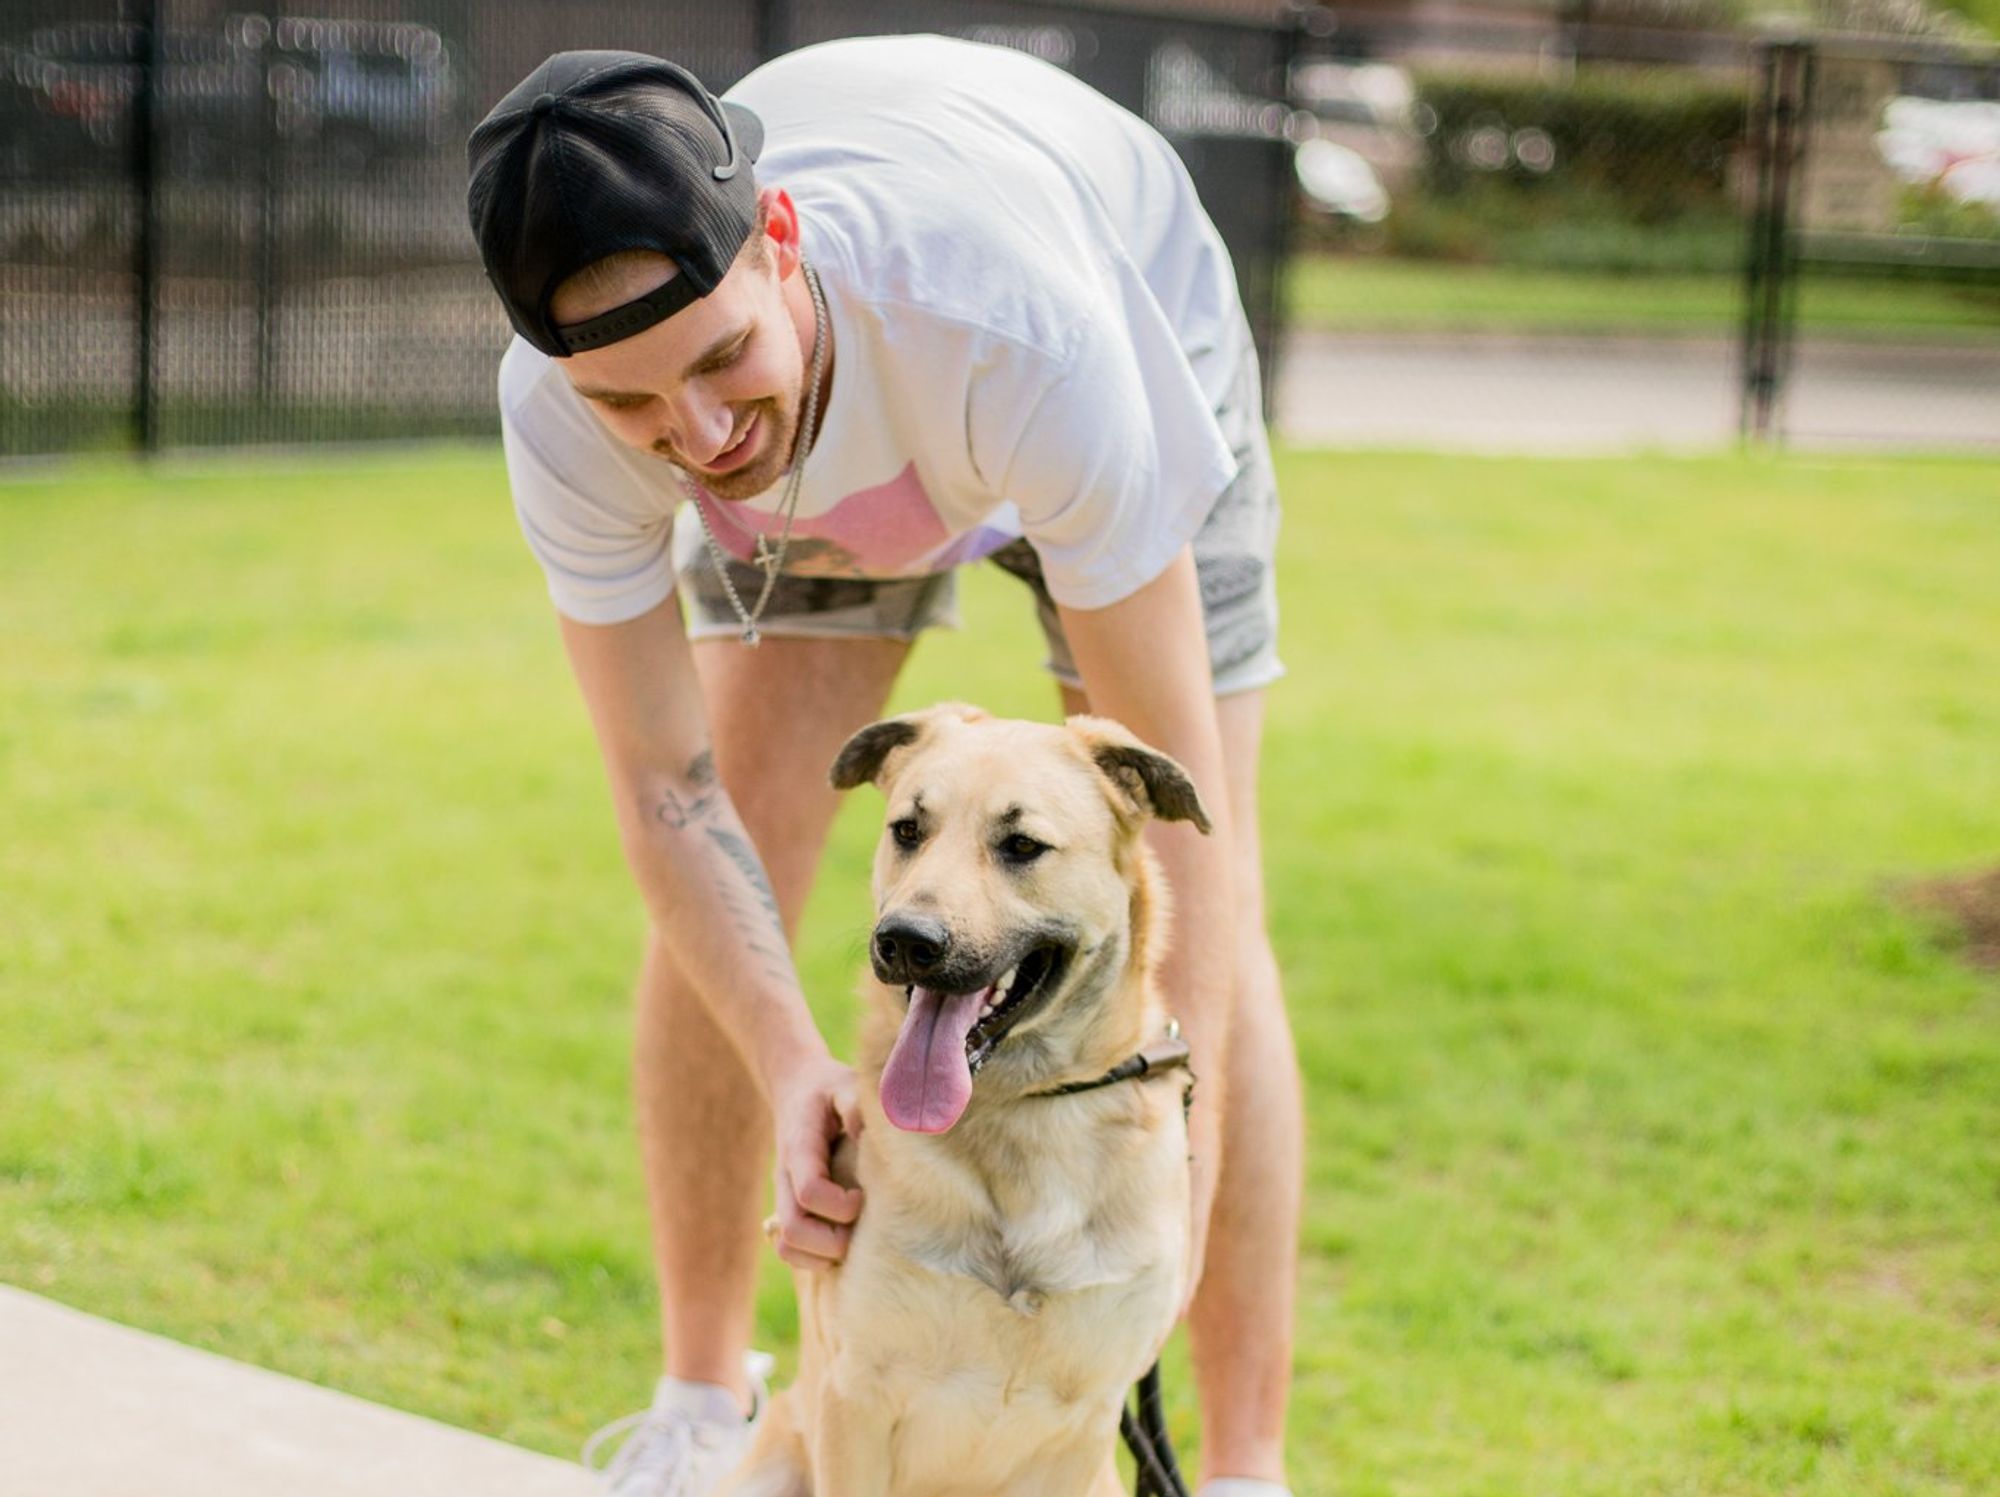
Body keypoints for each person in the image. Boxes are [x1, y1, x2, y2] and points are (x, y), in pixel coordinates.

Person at [466, 35, 1302, 1497]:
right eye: (635, 406)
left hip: (1096, 332)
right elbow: (672, 795)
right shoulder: (571, 419)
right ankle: (701, 1403)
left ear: (776, 239)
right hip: (851, 461)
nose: (701, 435)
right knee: (753, 820)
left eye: (721, 355)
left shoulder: (1015, 325)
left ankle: (1240, 1468)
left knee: (1165, 895)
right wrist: (798, 1065)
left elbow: (1187, 836)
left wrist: (1177, 1175)